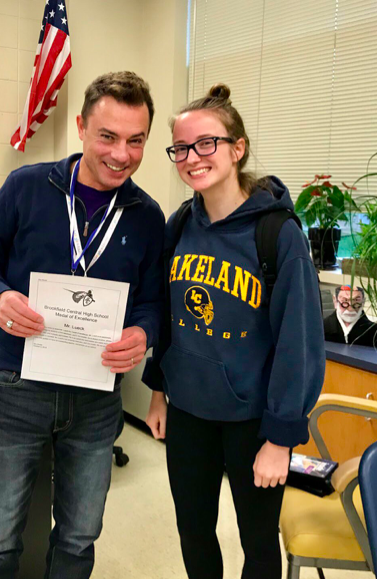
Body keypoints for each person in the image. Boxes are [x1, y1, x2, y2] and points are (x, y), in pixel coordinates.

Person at [0, 71, 165, 579]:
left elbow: (152, 304)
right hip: (17, 388)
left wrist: (143, 335)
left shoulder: (147, 216)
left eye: (136, 140)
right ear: (80, 127)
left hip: (96, 402)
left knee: (78, 539)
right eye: (108, 137)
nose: (122, 154)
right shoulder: (28, 186)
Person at [143, 84, 325, 579]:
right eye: (180, 148)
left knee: (258, 544)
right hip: (188, 414)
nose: (192, 158)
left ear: (237, 147)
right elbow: (167, 318)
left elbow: (298, 344)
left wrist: (281, 438)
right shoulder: (179, 225)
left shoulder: (277, 233)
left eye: (207, 143)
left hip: (252, 423)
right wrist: (159, 390)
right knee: (194, 533)